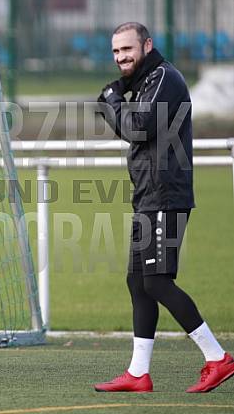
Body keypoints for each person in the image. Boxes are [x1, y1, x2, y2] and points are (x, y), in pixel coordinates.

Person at [94, 22, 234, 393]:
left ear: (147, 45)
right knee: (138, 282)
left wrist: (111, 101)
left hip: (165, 196)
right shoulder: (144, 81)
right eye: (116, 51)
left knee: (156, 281)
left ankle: (217, 357)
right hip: (148, 196)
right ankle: (138, 373)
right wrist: (118, 94)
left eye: (127, 49)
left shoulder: (163, 78)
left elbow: (138, 128)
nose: (121, 57)